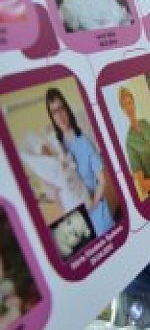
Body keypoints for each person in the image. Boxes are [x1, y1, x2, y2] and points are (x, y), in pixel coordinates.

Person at [45, 88, 115, 236]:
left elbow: (102, 181)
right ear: (52, 116)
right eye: (54, 111)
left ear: (68, 109)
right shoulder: (56, 149)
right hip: (79, 223)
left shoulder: (84, 142)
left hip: (99, 216)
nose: (60, 115)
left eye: (61, 108)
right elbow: (57, 190)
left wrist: (92, 205)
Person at [118, 86, 150, 201]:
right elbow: (142, 187)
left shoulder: (145, 123)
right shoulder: (129, 142)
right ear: (122, 109)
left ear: (134, 103)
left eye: (130, 103)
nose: (129, 107)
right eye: (125, 105)